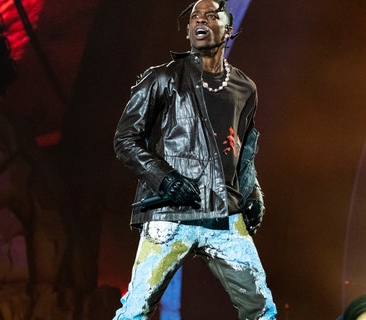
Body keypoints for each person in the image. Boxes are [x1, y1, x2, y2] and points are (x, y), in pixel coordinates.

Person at [112, 0, 277, 319]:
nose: (200, 20)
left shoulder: (244, 88)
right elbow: (125, 139)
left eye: (210, 15)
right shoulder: (161, 79)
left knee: (261, 309)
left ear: (228, 29)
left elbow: (242, 148)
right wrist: (164, 179)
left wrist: (251, 191)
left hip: (223, 214)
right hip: (169, 214)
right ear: (188, 30)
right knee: (135, 310)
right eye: (193, 17)